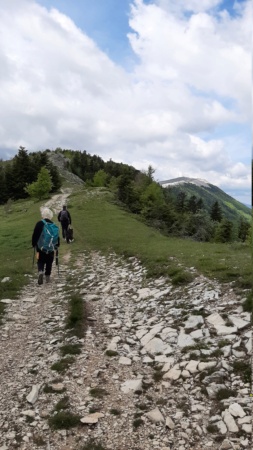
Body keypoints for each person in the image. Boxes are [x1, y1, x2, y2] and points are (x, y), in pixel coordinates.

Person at [32, 207, 60, 285]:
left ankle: (40, 271)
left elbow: (35, 235)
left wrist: (33, 244)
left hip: (40, 247)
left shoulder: (39, 223)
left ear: (42, 215)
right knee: (49, 262)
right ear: (50, 215)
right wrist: (57, 245)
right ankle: (47, 276)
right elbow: (56, 236)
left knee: (40, 260)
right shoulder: (53, 225)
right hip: (50, 248)